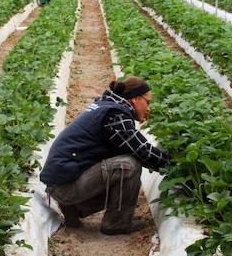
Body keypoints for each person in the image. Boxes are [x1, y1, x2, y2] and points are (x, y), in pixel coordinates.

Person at [40, 76, 170, 235]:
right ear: (135, 99)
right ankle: (117, 223)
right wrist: (174, 166)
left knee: (127, 170)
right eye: (148, 102)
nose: (149, 108)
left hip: (64, 182)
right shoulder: (115, 115)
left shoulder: (108, 106)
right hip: (65, 187)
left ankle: (75, 208)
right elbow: (141, 150)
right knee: (129, 165)